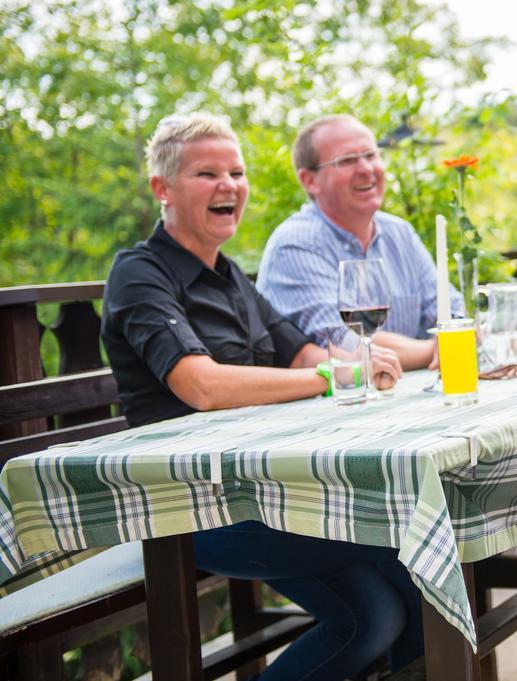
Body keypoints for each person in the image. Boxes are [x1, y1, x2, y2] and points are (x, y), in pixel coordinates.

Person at [101, 112, 420, 681]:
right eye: (207, 173)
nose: (229, 185)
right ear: (162, 189)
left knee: (375, 612)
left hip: (261, 489)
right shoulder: (139, 273)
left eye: (237, 172)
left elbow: (302, 352)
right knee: (403, 537)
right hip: (188, 507)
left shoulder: (232, 277)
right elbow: (201, 385)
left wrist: (359, 363)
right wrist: (336, 378)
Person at [256, 114, 461, 369]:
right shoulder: (295, 245)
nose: (366, 169)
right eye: (348, 160)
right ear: (310, 181)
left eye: (371, 155)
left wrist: (460, 333)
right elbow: (344, 345)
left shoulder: (400, 234)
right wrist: (446, 347)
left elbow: (451, 312)